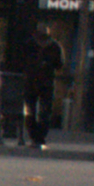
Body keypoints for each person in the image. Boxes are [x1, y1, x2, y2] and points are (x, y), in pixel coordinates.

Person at [24, 22, 65, 150]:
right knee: (43, 111)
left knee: (33, 111)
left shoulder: (30, 44)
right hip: (45, 81)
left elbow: (22, 60)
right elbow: (60, 64)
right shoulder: (54, 45)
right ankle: (39, 137)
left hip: (33, 80)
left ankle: (35, 136)